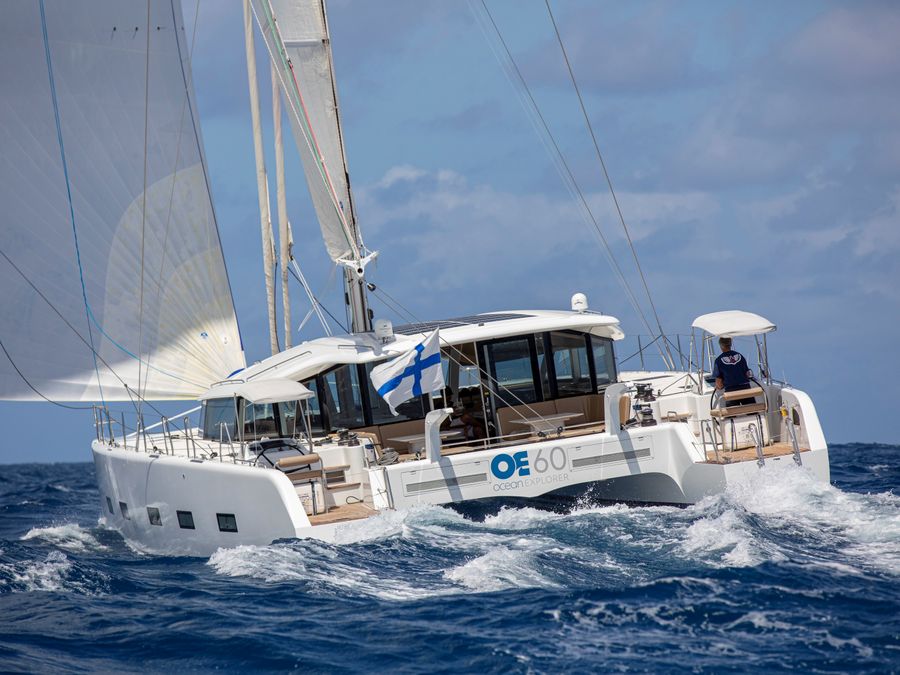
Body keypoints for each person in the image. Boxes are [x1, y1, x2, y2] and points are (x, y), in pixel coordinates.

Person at [712, 337, 754, 406]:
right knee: (751, 411)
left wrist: (719, 386)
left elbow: (719, 384)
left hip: (731, 393)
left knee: (731, 414)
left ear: (721, 346)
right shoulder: (740, 356)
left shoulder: (718, 360)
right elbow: (747, 374)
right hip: (746, 390)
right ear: (730, 344)